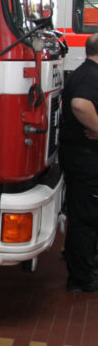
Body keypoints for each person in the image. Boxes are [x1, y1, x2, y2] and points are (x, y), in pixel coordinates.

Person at [60, 33, 98, 292]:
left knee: (84, 215)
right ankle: (82, 278)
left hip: (80, 156)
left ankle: (83, 268)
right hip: (85, 157)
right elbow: (81, 104)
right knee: (85, 218)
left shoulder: (84, 71)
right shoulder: (91, 75)